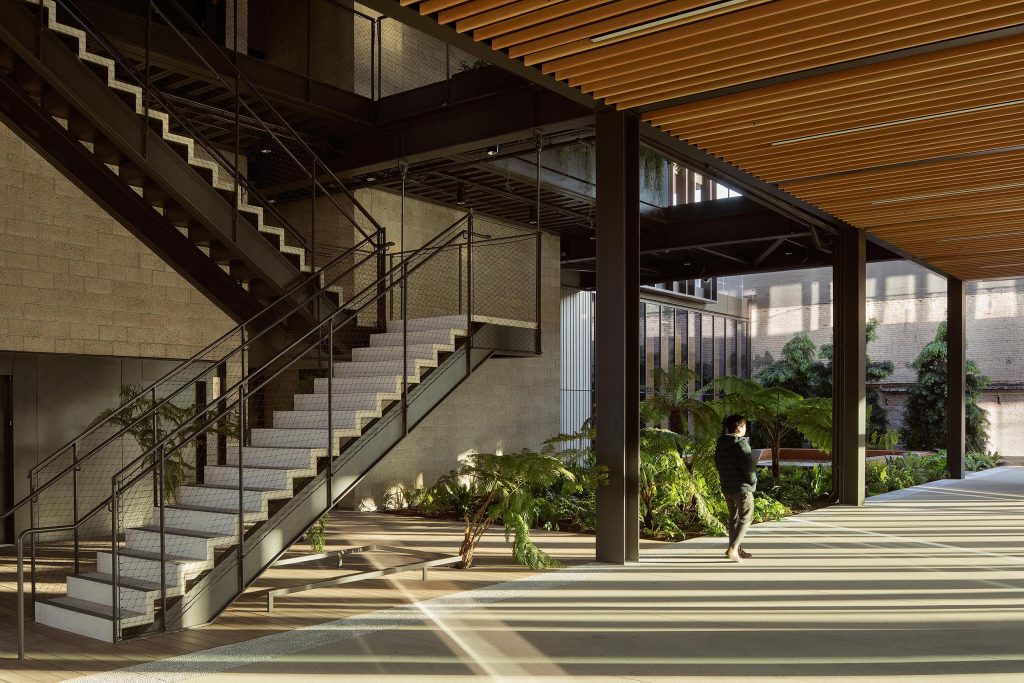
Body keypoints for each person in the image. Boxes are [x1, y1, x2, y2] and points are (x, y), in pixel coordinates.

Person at [714, 414, 757, 563]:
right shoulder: (741, 444)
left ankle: (734, 548)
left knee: (734, 518)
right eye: (744, 426)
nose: (746, 429)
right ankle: (733, 548)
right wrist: (753, 483)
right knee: (746, 517)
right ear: (739, 427)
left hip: (727, 487)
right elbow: (749, 469)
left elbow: (718, 465)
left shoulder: (721, 443)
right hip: (742, 488)